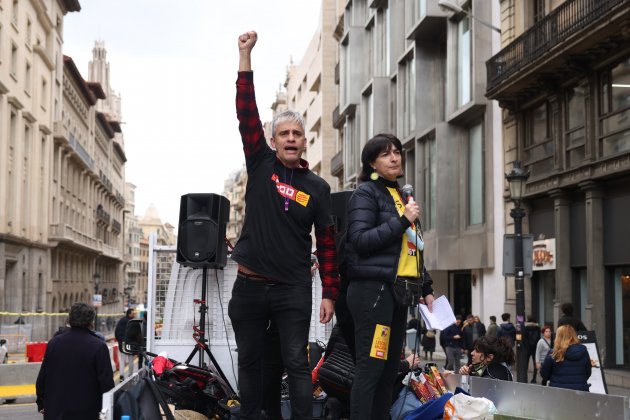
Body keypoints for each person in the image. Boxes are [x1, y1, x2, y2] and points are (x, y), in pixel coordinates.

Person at [229, 31, 339, 420]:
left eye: (297, 134)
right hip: (250, 286)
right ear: (273, 141)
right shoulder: (260, 163)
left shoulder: (318, 187)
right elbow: (245, 112)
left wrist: (328, 293)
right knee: (252, 361)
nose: (291, 139)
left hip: (293, 289)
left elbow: (326, 243)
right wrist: (245, 56)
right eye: (284, 134)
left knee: (296, 362)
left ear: (305, 142)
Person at [345, 133, 434, 420]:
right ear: (371, 162)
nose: (394, 157)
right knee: (371, 367)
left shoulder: (401, 195)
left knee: (387, 370)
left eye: (397, 151)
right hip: (373, 293)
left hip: (398, 293)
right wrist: (402, 220)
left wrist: (427, 285)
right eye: (385, 154)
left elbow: (410, 248)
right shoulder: (366, 194)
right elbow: (359, 240)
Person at [36, 302, 115, 419]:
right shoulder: (98, 346)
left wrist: (41, 403)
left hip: (55, 412)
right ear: (91, 322)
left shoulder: (54, 343)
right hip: (86, 413)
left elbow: (43, 377)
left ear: (70, 319)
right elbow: (106, 383)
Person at [540, 325, 591, 391]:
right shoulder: (583, 351)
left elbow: (544, 374)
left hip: (558, 391)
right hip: (580, 391)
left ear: (558, 337)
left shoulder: (554, 353)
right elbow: (588, 373)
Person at [115, 308, 136, 381]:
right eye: (133, 313)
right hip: (129, 343)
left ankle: (121, 375)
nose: (134, 315)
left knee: (122, 359)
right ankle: (130, 375)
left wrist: (120, 340)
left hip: (122, 343)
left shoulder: (121, 320)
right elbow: (135, 333)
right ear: (129, 314)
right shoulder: (132, 321)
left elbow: (116, 331)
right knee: (130, 359)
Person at [524, 315, 541, 383]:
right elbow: (538, 337)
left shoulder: (525, 326)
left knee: (525, 363)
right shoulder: (538, 327)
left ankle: (525, 378)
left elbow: (524, 337)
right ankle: (534, 379)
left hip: (527, 347)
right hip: (535, 347)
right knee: (535, 363)